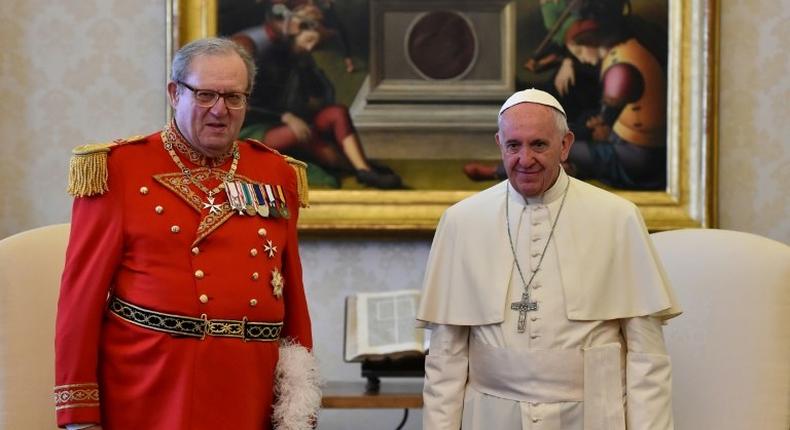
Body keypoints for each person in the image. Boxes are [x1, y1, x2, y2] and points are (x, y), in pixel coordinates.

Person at [54, 37, 320, 430]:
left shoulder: (275, 172)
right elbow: (81, 299)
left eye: (234, 97)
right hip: (151, 386)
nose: (219, 110)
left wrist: (300, 403)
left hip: (249, 387)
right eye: (205, 94)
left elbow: (291, 292)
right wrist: (79, 412)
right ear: (174, 93)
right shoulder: (119, 168)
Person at [417, 88, 681, 429]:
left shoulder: (617, 218)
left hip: (592, 417)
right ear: (499, 143)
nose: (525, 159)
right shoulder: (462, 221)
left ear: (566, 144)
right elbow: (445, 360)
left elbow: (647, 359)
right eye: (514, 146)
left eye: (539, 144)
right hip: (490, 417)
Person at [232, 7, 402, 190]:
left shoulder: (305, 63)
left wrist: (316, 96)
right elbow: (252, 103)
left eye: (316, 43)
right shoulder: (269, 61)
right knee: (303, 134)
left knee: (337, 112)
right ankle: (357, 168)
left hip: (301, 119)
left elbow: (322, 95)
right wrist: (285, 117)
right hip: (263, 126)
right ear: (295, 35)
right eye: (309, 40)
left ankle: (362, 169)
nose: (311, 47)